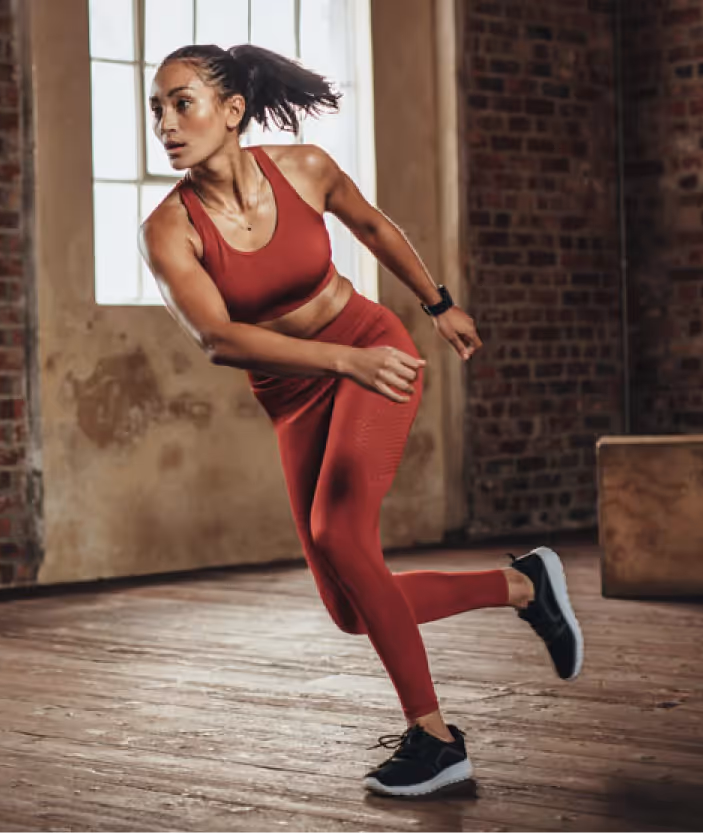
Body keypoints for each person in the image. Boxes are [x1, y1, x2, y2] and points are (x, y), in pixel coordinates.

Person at [137, 43, 584, 798]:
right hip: (297, 391)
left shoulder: (304, 169)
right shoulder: (169, 230)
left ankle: (435, 738)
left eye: (183, 102)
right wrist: (339, 366)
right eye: (157, 109)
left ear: (232, 111)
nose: (167, 124)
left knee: (339, 534)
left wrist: (438, 306)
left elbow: (373, 229)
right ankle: (522, 585)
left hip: (372, 348)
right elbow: (220, 339)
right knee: (350, 607)